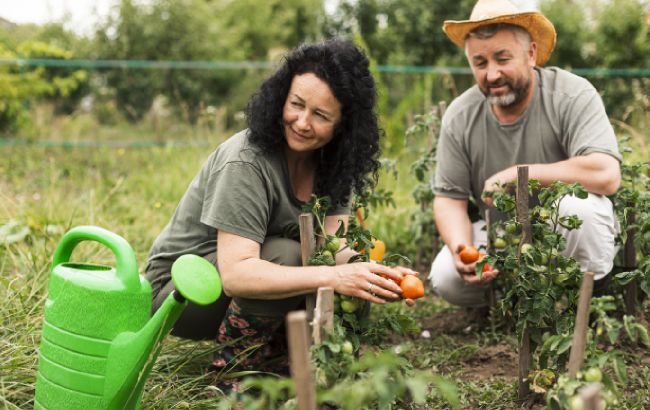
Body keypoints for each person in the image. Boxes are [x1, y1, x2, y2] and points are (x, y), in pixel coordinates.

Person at [145, 39, 415, 390]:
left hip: (234, 282)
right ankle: (233, 377)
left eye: (320, 115)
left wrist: (375, 273)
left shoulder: (333, 164)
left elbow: (335, 247)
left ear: (342, 126)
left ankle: (299, 365)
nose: (302, 122)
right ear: (281, 98)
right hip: (180, 293)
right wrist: (334, 277)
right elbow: (238, 275)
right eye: (296, 105)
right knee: (289, 256)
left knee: (351, 274)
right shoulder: (247, 160)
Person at [428, 0, 621, 309]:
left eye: (502, 58)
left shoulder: (571, 95)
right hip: (503, 238)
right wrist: (461, 247)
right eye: (480, 63)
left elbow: (605, 175)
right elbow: (449, 199)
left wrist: (518, 175)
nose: (492, 74)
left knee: (578, 208)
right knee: (446, 277)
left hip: (562, 235)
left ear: (531, 54)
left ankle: (587, 304)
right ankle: (518, 303)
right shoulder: (461, 115)